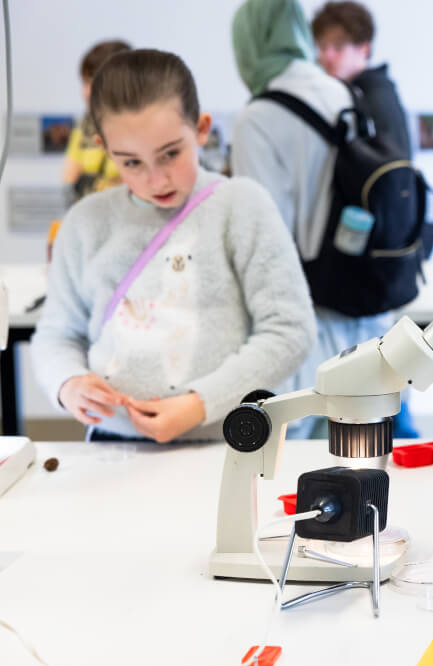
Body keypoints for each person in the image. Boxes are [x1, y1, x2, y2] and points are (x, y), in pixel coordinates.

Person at [31, 49, 316, 443]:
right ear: (104, 147)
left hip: (226, 441)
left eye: (170, 154)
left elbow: (291, 331)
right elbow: (57, 334)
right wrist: (68, 383)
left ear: (201, 129)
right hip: (114, 446)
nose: (156, 179)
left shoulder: (241, 205)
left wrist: (200, 403)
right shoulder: (84, 222)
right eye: (131, 162)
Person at [231, 0, 413, 438]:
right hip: (364, 300)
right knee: (368, 448)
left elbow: (264, 234)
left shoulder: (258, 118)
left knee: (295, 461)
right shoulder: (344, 92)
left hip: (306, 316)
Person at [312, 1, 412, 158]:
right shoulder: (349, 92)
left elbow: (396, 169)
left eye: (338, 47)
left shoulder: (376, 94)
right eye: (323, 47)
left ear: (364, 49)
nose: (327, 56)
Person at [61, 40, 131, 205]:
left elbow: (143, 184)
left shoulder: (143, 124)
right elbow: (70, 180)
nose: (87, 92)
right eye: (85, 82)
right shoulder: (85, 126)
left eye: (95, 82)